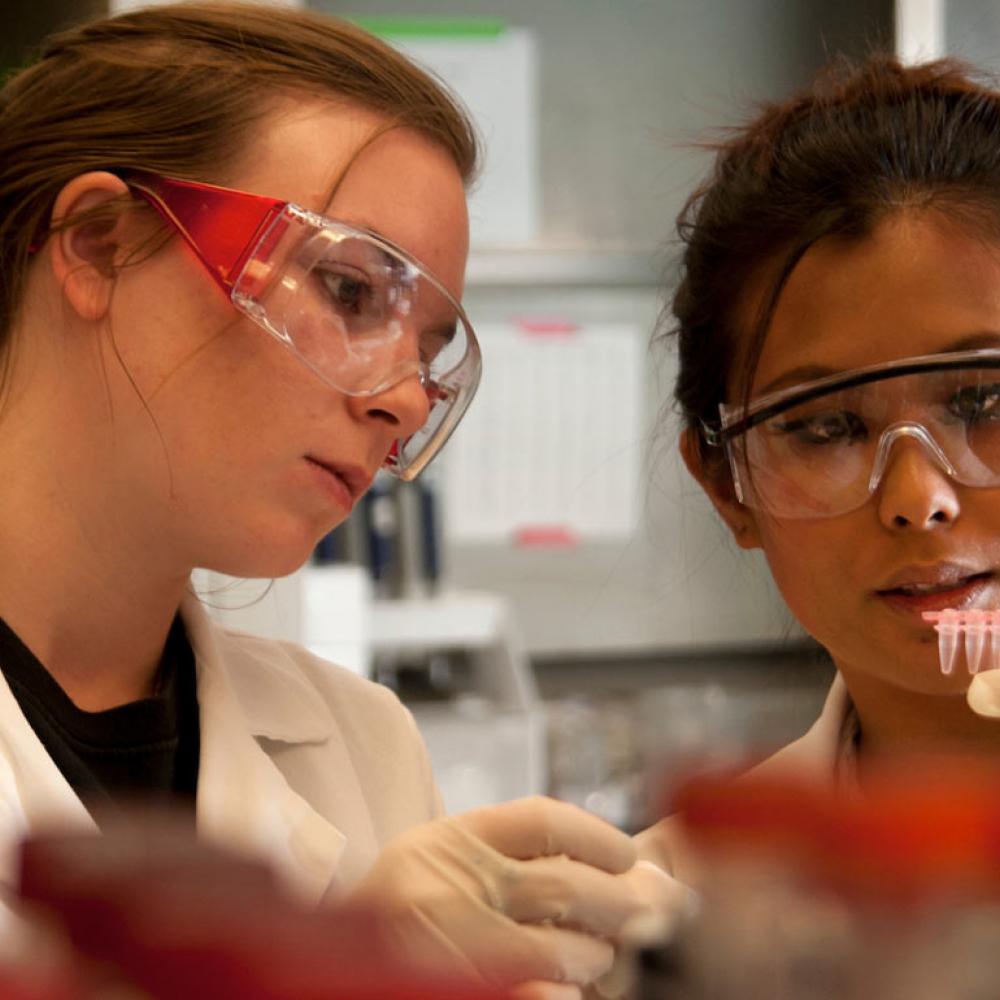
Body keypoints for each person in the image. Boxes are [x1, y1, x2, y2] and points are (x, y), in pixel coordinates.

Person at [0, 3, 669, 995]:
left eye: (430, 350)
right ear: (100, 243)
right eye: (352, 291)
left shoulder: (360, 743)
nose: (402, 396)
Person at [635, 51, 1000, 884]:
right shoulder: (660, 922)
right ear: (730, 489)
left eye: (986, 403)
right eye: (827, 428)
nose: (919, 499)